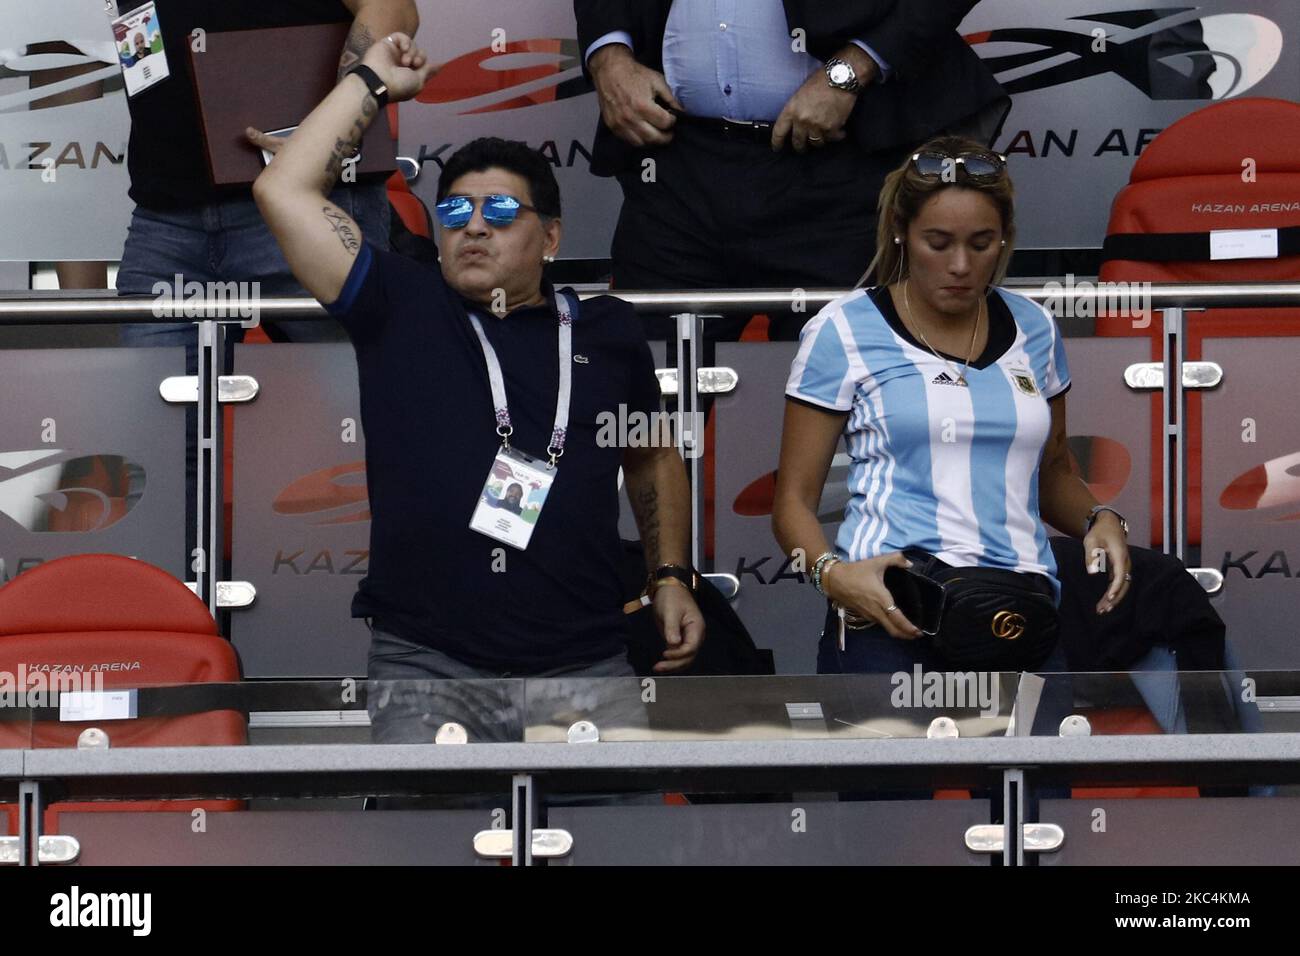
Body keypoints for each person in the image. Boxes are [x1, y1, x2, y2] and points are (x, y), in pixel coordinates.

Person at [250, 34, 705, 742]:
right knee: (427, 850)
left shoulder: (608, 331)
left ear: (551, 238)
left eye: (501, 212)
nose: (474, 228)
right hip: (428, 665)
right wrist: (371, 80)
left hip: (585, 664)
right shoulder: (400, 302)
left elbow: (650, 455)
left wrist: (670, 573)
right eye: (456, 212)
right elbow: (282, 188)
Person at [771, 135, 1132, 676]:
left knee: (1034, 763)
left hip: (1018, 611)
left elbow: (1054, 471)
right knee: (899, 767)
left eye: (981, 243)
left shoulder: (1034, 328)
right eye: (937, 242)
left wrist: (1099, 518)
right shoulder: (842, 329)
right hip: (890, 612)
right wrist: (833, 575)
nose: (961, 264)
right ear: (901, 231)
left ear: (1004, 238)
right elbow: (793, 503)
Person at [575, 0, 1009, 342]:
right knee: (647, 400)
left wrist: (855, 66)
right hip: (674, 166)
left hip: (841, 168)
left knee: (845, 404)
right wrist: (608, 54)